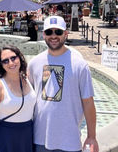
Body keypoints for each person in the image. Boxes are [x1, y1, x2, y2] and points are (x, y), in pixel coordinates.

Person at [28, 16, 99, 152]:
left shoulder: (79, 65)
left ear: (66, 34)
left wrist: (91, 136)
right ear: (43, 34)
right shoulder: (34, 63)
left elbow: (88, 102)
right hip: (39, 139)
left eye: (58, 32)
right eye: (49, 32)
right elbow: (29, 100)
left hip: (69, 141)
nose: (53, 36)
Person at [0, 45, 36, 152]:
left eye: (13, 58)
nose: (11, 63)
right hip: (5, 138)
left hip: (27, 136)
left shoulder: (27, 79)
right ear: (1, 65)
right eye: (5, 61)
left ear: (20, 58)